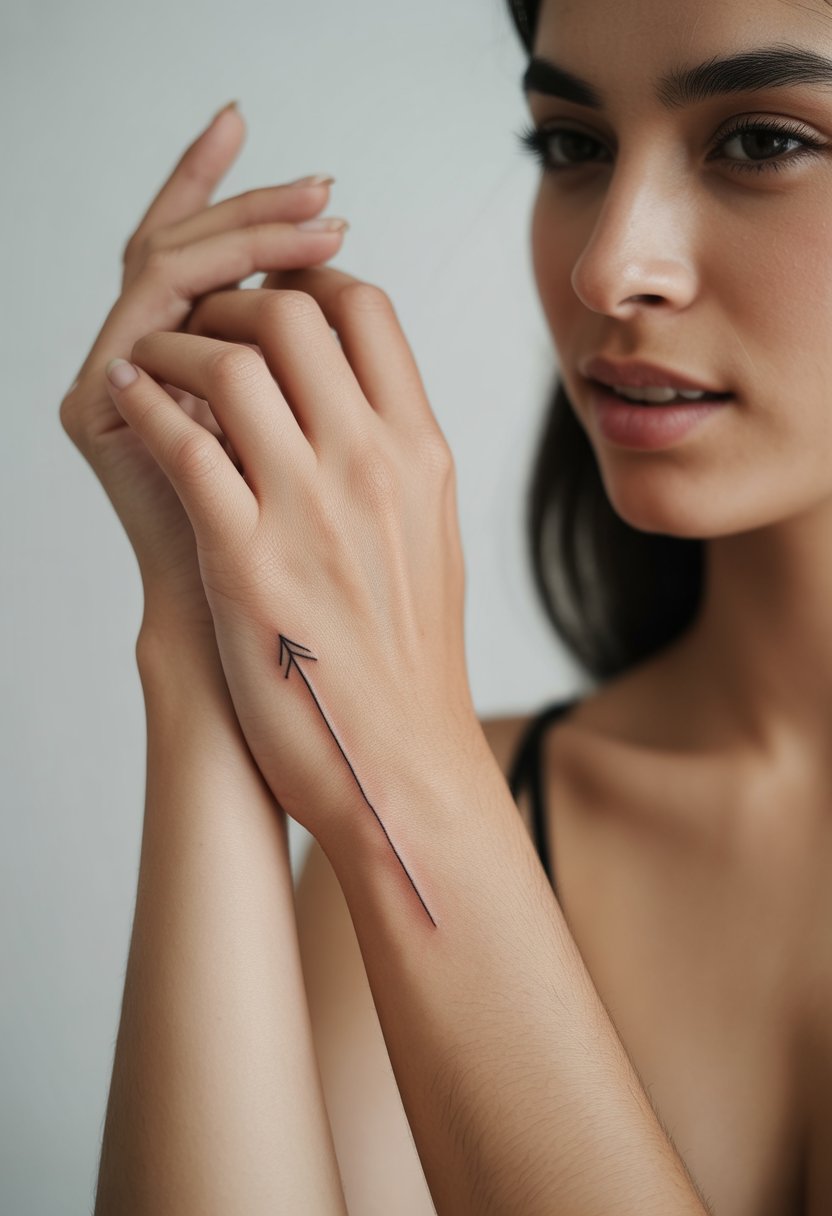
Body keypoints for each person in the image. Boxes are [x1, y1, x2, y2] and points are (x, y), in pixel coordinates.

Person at [59, 0, 832, 1209]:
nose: (607, 264)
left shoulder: (425, 803)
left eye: (765, 141)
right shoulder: (476, 807)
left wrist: (407, 768)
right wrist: (207, 633)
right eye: (572, 145)